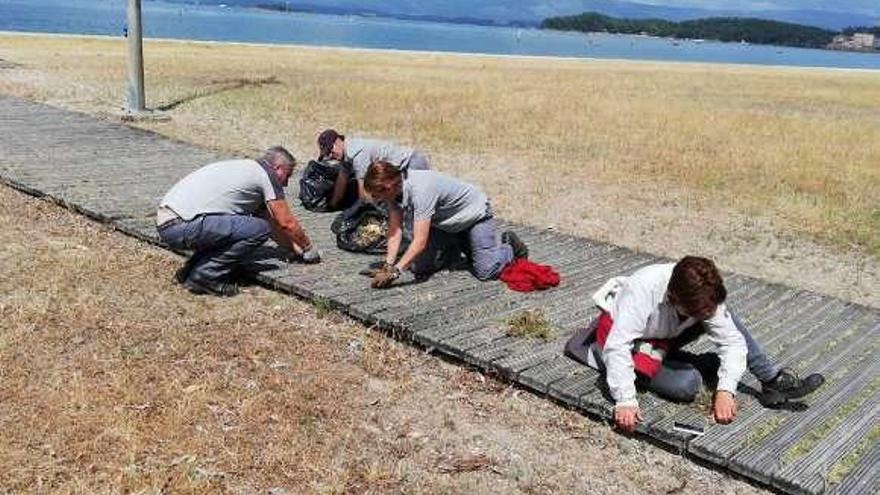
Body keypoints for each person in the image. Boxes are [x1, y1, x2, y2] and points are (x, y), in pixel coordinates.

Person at [587, 256, 824, 432]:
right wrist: (625, 401)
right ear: (674, 298)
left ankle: (771, 381)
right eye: (702, 311)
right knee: (686, 384)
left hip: (667, 332)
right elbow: (618, 346)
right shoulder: (643, 288)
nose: (708, 313)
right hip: (629, 339)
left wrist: (725, 390)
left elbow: (733, 343)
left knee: (727, 320)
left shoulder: (704, 293)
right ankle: (699, 363)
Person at [156, 146, 320, 297]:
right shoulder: (266, 176)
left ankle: (192, 269)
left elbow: (275, 226)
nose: (285, 183)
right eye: (288, 175)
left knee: (246, 227)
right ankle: (205, 277)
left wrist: (297, 251)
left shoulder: (247, 170)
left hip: (170, 223)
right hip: (183, 225)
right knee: (259, 229)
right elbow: (285, 222)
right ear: (278, 168)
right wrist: (308, 247)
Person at [363, 161, 528, 288]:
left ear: (390, 186)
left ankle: (508, 247)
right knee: (420, 268)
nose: (377, 199)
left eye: (378, 194)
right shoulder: (394, 193)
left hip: (473, 216)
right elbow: (395, 230)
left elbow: (419, 242)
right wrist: (388, 265)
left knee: (486, 271)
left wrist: (394, 273)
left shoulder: (421, 190)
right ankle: (457, 245)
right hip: (446, 222)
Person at [317, 129, 431, 204]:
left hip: (410, 164)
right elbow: (342, 179)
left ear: (338, 141)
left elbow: (364, 192)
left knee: (416, 203)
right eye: (327, 155)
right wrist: (333, 204)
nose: (331, 156)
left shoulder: (357, 153)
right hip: (397, 171)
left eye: (331, 151)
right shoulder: (346, 154)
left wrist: (364, 211)